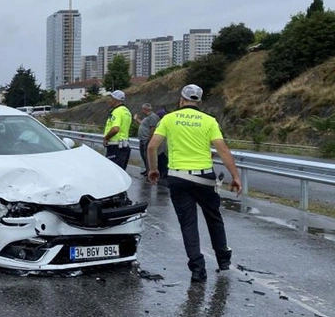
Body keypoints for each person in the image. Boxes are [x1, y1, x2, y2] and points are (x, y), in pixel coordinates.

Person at [147, 84, 242, 282]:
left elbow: (152, 146)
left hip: (178, 178)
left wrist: (154, 169)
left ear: (181, 100)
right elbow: (223, 150)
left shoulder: (169, 119)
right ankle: (223, 260)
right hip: (204, 178)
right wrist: (236, 176)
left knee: (188, 224)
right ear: (199, 102)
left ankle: (198, 269)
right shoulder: (209, 121)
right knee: (214, 217)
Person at [102, 90, 132, 170]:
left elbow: (115, 129)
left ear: (115, 100)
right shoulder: (127, 111)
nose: (109, 101)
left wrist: (106, 138)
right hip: (124, 145)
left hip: (115, 146)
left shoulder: (116, 111)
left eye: (111, 99)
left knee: (112, 172)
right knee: (121, 173)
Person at [134, 103, 160, 176]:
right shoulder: (146, 118)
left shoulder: (152, 117)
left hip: (146, 139)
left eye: (142, 109)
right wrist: (136, 119)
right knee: (144, 155)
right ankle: (147, 170)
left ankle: (150, 171)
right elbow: (142, 124)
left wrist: (149, 139)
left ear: (145, 109)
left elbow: (153, 128)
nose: (142, 111)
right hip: (142, 139)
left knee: (147, 156)